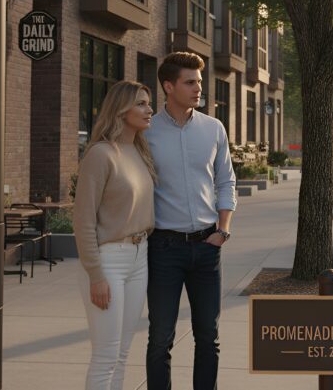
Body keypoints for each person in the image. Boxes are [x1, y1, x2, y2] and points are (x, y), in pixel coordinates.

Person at [144, 52, 236, 390]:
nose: (199, 88)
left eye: (199, 81)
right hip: (164, 248)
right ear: (169, 86)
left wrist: (223, 228)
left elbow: (226, 181)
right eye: (191, 82)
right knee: (159, 338)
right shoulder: (147, 131)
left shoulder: (213, 128)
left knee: (208, 337)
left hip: (207, 247)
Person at [73, 80, 157, 390]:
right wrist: (95, 274)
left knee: (122, 354)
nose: (149, 110)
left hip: (139, 256)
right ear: (121, 110)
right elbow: (82, 219)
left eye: (148, 103)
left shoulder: (138, 150)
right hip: (108, 260)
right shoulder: (101, 154)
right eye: (141, 104)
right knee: (106, 355)